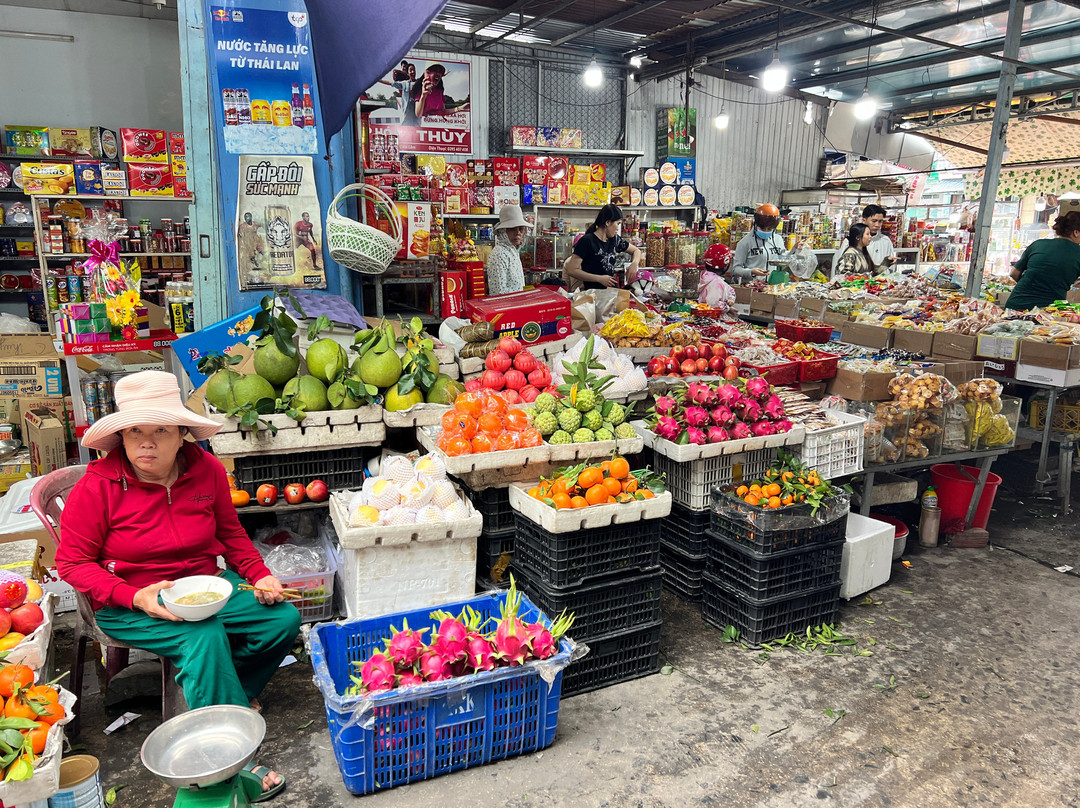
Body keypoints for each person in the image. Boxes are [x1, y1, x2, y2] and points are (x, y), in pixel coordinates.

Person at [55, 371, 300, 802]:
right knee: (202, 637)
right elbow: (72, 563)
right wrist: (135, 595)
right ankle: (227, 761)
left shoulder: (204, 469)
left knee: (282, 618)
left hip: (204, 586)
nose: (146, 443)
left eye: (161, 431)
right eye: (135, 431)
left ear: (182, 434)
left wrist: (258, 573)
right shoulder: (98, 487)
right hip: (126, 600)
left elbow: (231, 533)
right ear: (121, 436)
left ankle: (233, 698)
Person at [1005, 211, 1080, 311]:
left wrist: (1034, 285)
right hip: (1047, 313)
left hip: (1015, 306)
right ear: (1076, 232)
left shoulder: (1038, 244)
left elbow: (1014, 273)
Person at [564, 204, 642, 290]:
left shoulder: (615, 239)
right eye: (618, 223)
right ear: (608, 222)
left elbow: (636, 251)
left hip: (611, 292)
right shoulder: (587, 241)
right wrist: (599, 279)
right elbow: (571, 270)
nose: (617, 228)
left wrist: (634, 264)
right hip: (593, 294)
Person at [732, 203, 800, 282]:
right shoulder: (745, 242)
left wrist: (794, 249)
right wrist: (751, 272)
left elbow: (782, 259)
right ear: (756, 224)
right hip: (752, 287)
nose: (766, 231)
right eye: (763, 229)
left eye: (769, 229)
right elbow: (736, 269)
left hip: (772, 286)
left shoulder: (778, 240)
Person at [832, 204, 896, 273]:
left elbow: (877, 270)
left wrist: (887, 263)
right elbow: (842, 272)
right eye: (874, 221)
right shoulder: (850, 241)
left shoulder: (885, 241)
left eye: (880, 221)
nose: (877, 225)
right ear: (864, 220)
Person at [484, 205, 530, 296]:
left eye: (521, 229)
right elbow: (499, 293)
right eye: (512, 229)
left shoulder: (513, 251)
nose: (518, 233)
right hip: (506, 308)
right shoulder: (499, 254)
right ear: (503, 231)